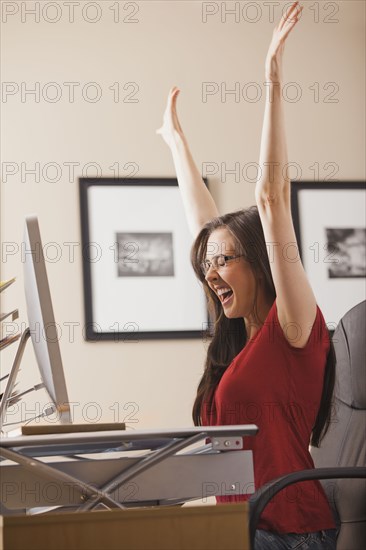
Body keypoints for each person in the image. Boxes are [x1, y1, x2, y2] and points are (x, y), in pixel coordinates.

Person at [157, 2, 337, 548]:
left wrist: (272, 82)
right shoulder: (237, 331)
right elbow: (203, 224)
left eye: (225, 260)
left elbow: (270, 197)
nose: (211, 272)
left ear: (258, 262)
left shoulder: (294, 327)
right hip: (242, 530)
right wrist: (176, 143)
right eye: (206, 264)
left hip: (290, 536)